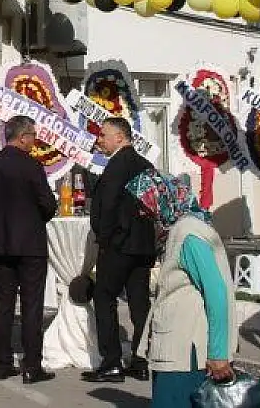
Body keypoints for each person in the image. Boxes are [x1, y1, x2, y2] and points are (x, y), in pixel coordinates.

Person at [132, 170, 238, 407]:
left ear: (164, 198)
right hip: (176, 349)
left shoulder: (187, 235)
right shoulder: (179, 230)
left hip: (184, 353)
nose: (142, 211)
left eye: (146, 203)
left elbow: (216, 293)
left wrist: (218, 353)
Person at [0, 115, 57, 384]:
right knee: (32, 305)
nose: (34, 141)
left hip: (1, 242)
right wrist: (35, 216)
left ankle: (3, 362)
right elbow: (48, 204)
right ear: (22, 137)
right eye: (32, 135)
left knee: (4, 302)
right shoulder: (32, 165)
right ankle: (32, 365)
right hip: (30, 243)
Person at [85, 117, 157, 383]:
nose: (99, 140)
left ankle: (111, 362)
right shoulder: (145, 165)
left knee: (104, 297)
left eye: (103, 135)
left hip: (119, 245)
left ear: (120, 137)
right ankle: (140, 360)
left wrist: (104, 241)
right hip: (143, 246)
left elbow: (108, 207)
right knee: (140, 302)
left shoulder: (118, 165)